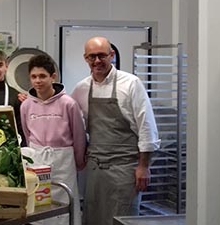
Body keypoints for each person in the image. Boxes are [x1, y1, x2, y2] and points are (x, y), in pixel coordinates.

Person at [71, 37, 160, 225]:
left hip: (125, 168)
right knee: (93, 217)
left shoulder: (131, 84)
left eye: (102, 56)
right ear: (85, 58)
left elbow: (147, 127)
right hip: (95, 169)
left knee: (122, 218)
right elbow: (67, 117)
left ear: (111, 55)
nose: (97, 61)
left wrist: (143, 166)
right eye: (92, 57)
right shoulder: (81, 88)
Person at [20, 53, 86, 225]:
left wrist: (79, 162)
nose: (38, 81)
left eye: (42, 76)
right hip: (37, 160)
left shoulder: (68, 103)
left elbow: (79, 136)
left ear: (53, 77)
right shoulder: (26, 105)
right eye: (34, 77)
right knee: (39, 205)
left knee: (64, 204)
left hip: (63, 161)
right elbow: (27, 134)